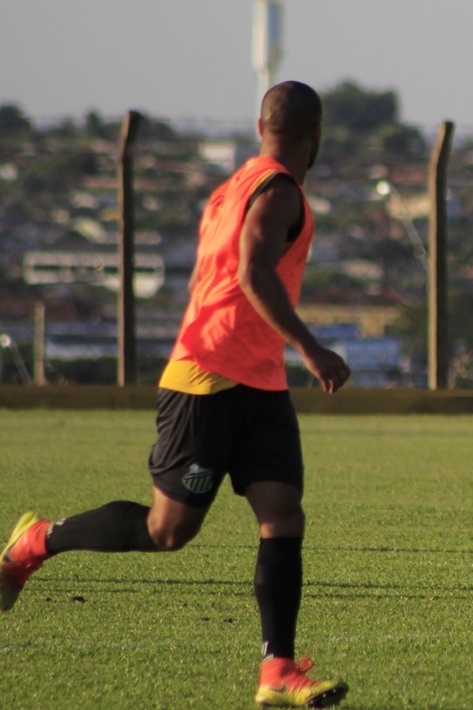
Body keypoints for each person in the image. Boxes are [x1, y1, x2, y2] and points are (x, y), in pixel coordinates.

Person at [0, 81, 351, 707]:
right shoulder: (277, 191)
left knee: (282, 513)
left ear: (260, 125)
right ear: (315, 135)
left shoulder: (234, 184)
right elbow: (250, 271)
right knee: (168, 531)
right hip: (208, 375)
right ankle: (35, 543)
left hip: (259, 381)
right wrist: (311, 347)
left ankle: (277, 670)